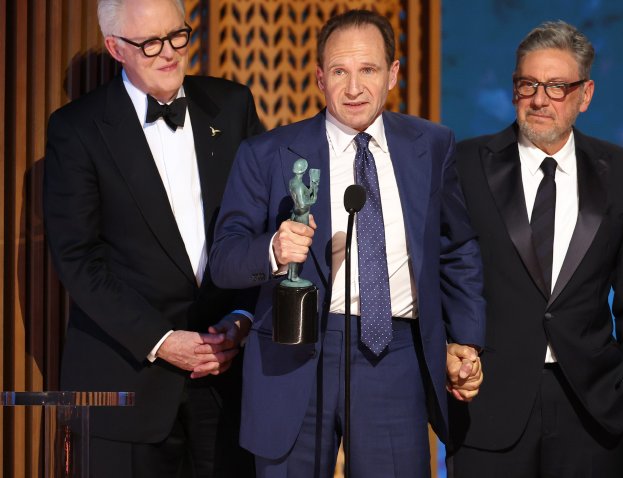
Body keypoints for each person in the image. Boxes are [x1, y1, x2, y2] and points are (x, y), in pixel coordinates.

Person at [208, 9, 486, 477]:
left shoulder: (432, 144)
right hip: (294, 352)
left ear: (393, 74)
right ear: (320, 78)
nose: (353, 88)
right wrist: (273, 250)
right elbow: (224, 259)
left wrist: (466, 338)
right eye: (339, 71)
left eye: (368, 70)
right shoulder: (268, 154)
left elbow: (457, 247)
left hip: (394, 352)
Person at [42, 0, 263, 475]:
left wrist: (243, 316)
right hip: (127, 385)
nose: (169, 54)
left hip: (227, 378)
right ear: (115, 48)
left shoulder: (233, 104)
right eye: (150, 44)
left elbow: (259, 227)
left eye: (177, 36)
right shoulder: (75, 130)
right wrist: (162, 340)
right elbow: (79, 259)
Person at [448, 20, 623, 477]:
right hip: (488, 402)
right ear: (514, 88)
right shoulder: (465, 164)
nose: (539, 99)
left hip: (592, 407)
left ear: (586, 94)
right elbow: (443, 274)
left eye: (557, 87)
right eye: (528, 84)